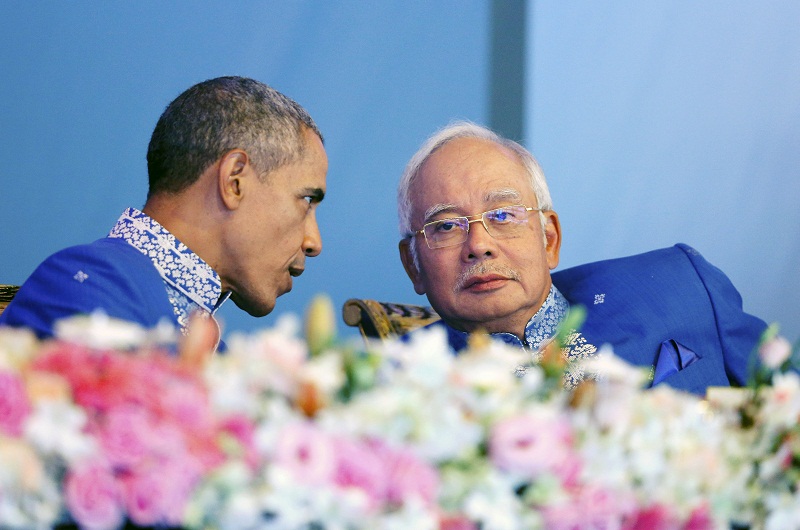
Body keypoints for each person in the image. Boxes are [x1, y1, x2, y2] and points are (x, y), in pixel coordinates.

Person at [397, 121, 766, 395]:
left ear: (549, 238)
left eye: (503, 215)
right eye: (445, 227)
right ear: (413, 265)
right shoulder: (399, 386)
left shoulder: (681, 288)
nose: (479, 245)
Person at [0, 76, 327, 345]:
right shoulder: (85, 285)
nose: (314, 242)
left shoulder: (219, 355)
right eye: (307, 200)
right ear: (234, 181)